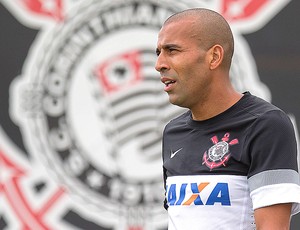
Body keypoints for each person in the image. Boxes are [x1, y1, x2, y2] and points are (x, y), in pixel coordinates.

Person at [155, 8, 300, 230]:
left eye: (172, 50)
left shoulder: (265, 125)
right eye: (158, 53)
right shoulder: (173, 132)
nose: (159, 64)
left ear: (214, 56)